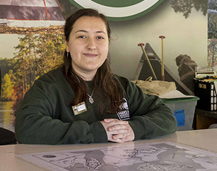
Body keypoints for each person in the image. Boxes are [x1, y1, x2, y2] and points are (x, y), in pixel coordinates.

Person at [15, 8, 177, 144]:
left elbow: (166, 115)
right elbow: (27, 127)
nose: (92, 45)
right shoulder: (48, 87)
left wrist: (135, 129)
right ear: (67, 44)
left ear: (108, 44)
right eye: (82, 36)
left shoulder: (122, 86)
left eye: (99, 37)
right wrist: (98, 132)